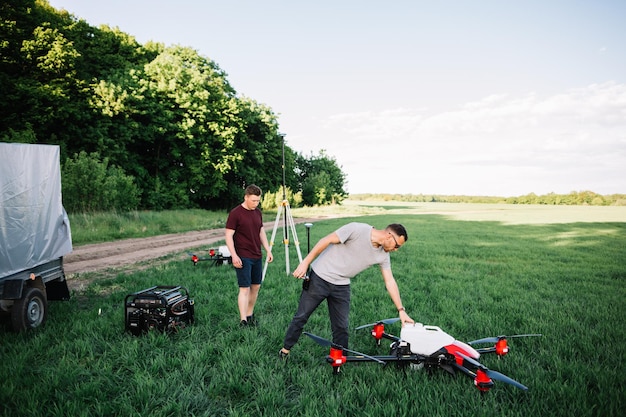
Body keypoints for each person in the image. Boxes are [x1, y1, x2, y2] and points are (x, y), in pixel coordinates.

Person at [278, 222, 414, 359]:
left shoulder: (383, 255)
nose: (396, 249)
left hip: (341, 285)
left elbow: (390, 281)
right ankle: (285, 350)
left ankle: (341, 359)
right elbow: (326, 240)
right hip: (320, 277)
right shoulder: (356, 229)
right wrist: (305, 263)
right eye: (397, 246)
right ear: (389, 236)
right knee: (302, 316)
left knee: (341, 327)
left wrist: (401, 310)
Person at [225, 184, 273, 327]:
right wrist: (234, 255)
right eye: (253, 200)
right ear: (246, 197)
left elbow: (261, 232)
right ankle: (243, 320)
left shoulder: (258, 213)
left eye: (258, 201)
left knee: (256, 286)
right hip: (242, 255)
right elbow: (228, 236)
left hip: (256, 255)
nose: (255, 203)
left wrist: (268, 250)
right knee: (244, 288)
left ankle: (250, 314)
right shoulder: (235, 213)